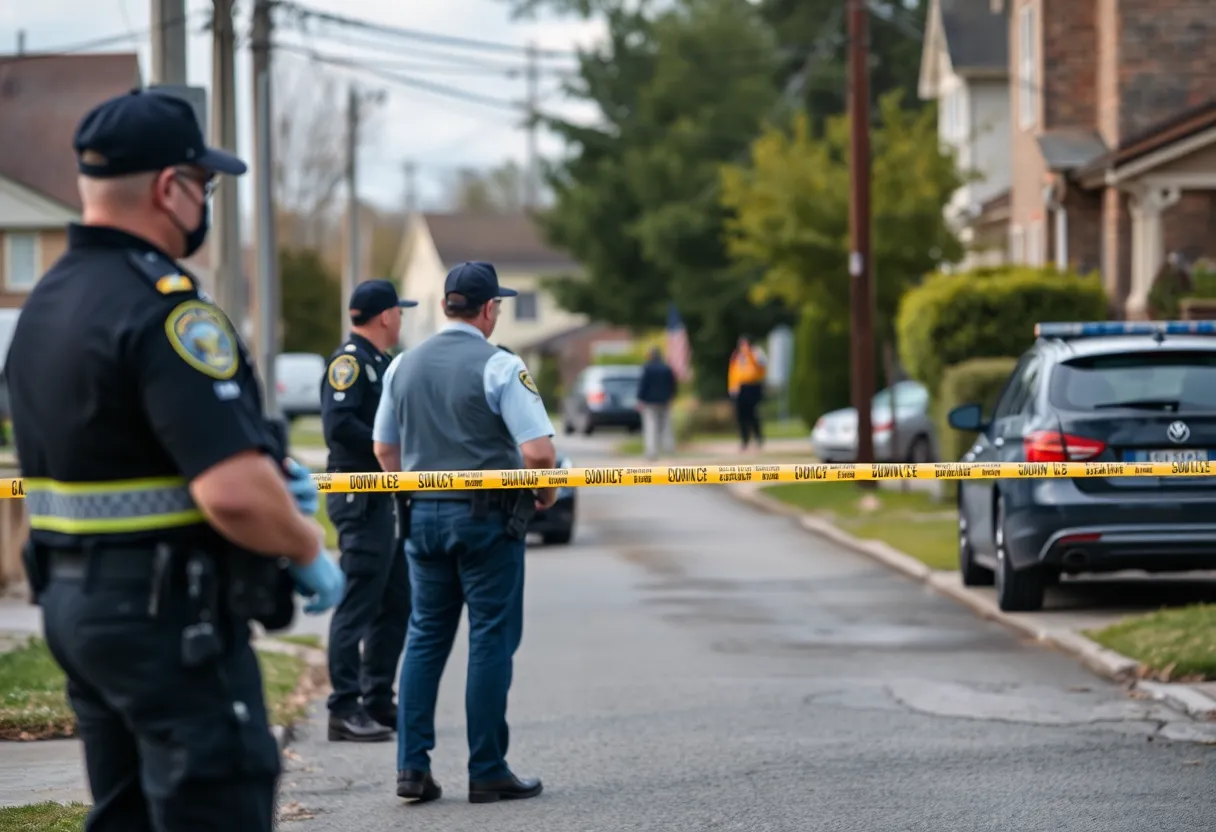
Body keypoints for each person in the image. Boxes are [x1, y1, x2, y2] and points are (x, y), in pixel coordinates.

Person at [4, 89, 345, 832]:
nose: (207, 201)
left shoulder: (46, 305)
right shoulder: (166, 308)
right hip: (167, 619)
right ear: (170, 188)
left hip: (76, 607)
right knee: (214, 804)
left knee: (125, 815)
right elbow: (233, 494)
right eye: (206, 185)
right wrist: (304, 540)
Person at [372, 261, 556, 805]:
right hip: (486, 522)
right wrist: (543, 495)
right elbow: (540, 453)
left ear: (448, 304)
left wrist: (414, 488)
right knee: (490, 638)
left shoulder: (402, 365)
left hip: (421, 518)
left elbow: (384, 450)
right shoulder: (500, 365)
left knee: (425, 638)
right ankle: (487, 768)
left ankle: (411, 767)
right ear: (489, 308)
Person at [322, 279, 418, 742]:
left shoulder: (382, 363)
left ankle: (377, 697)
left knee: (397, 599)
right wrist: (389, 446)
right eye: (399, 311)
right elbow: (339, 426)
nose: (401, 318)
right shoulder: (350, 363)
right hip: (359, 494)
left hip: (384, 495)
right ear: (385, 316)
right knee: (359, 601)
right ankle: (343, 706)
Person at [727, 334, 768, 451]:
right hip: (740, 387)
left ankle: (758, 437)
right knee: (741, 415)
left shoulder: (756, 352)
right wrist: (732, 387)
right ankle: (744, 439)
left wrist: (750, 354)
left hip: (753, 385)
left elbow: (762, 365)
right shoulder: (736, 356)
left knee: (752, 413)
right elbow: (732, 372)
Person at [635, 346, 676, 460]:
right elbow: (672, 385)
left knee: (651, 426)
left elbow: (643, 385)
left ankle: (652, 452)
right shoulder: (666, 368)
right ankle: (669, 449)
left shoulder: (647, 368)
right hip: (664, 400)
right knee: (666, 426)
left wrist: (640, 399)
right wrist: (671, 397)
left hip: (650, 402)